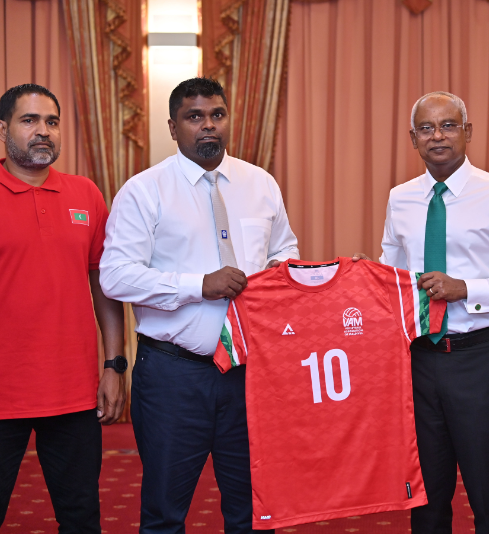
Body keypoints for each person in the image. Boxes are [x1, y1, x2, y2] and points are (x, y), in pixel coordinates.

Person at [99, 77, 299, 534]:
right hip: (173, 377)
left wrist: (284, 272)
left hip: (251, 374)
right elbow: (115, 276)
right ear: (173, 128)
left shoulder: (260, 183)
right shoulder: (144, 191)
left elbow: (284, 250)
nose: (208, 125)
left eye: (216, 115)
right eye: (194, 117)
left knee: (253, 512)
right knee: (165, 514)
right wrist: (197, 285)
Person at [354, 91, 489, 534]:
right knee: (425, 495)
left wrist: (468, 289)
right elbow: (396, 276)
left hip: (479, 359)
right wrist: (368, 274)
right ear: (413, 138)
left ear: (467, 132)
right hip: (418, 362)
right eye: (426, 128)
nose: (437, 136)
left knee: (487, 492)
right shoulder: (400, 198)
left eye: (448, 125)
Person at [0, 83, 126, 532]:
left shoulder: (86, 194)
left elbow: (104, 285)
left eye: (52, 122)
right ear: (3, 130)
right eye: (29, 120)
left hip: (72, 392)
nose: (43, 131)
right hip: (3, 392)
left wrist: (114, 365)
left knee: (81, 519)